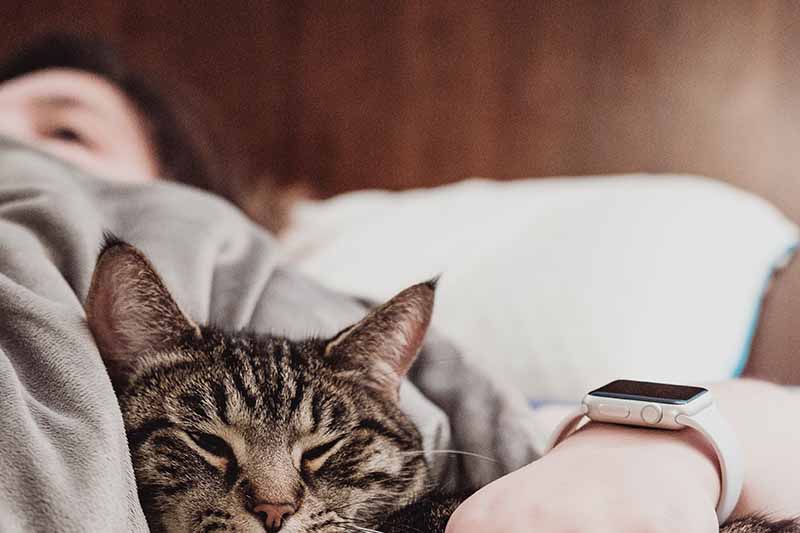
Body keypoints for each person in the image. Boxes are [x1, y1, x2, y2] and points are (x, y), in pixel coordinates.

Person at [0, 34, 798, 533]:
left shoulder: (286, 291)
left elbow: (778, 419)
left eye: (62, 130)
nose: (274, 505)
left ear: (185, 191)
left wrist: (638, 458)